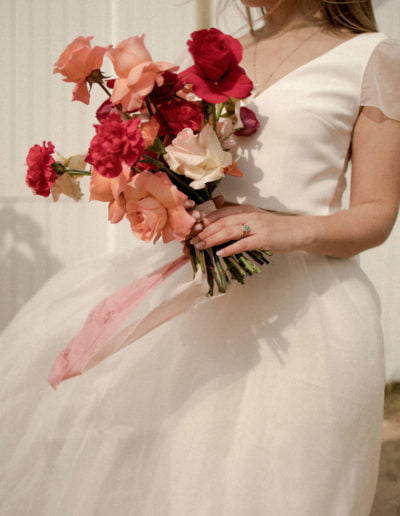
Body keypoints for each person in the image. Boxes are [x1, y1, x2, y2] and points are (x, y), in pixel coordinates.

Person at [1, 0, 399, 515]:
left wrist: (287, 227)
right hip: (195, 304)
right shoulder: (219, 55)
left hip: (303, 321)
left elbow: (376, 214)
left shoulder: (371, 60)